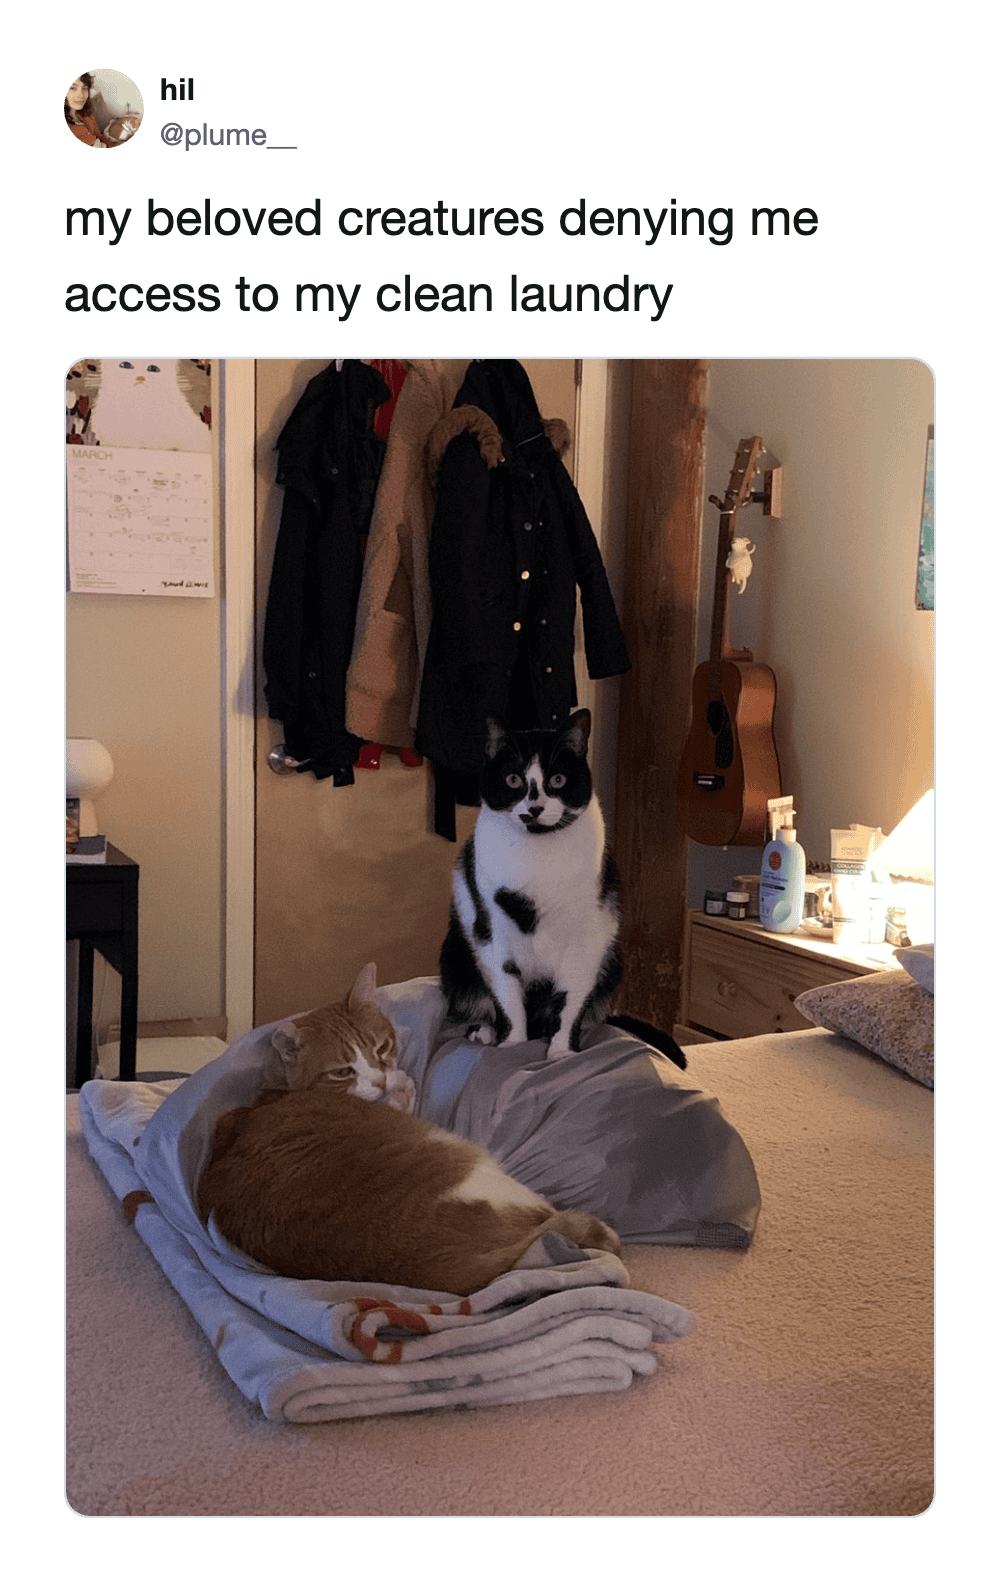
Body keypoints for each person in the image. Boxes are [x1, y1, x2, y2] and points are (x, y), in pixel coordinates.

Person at [65, 75, 114, 147]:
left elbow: (99, 135)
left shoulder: (87, 113)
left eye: (84, 88)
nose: (81, 95)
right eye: (72, 88)